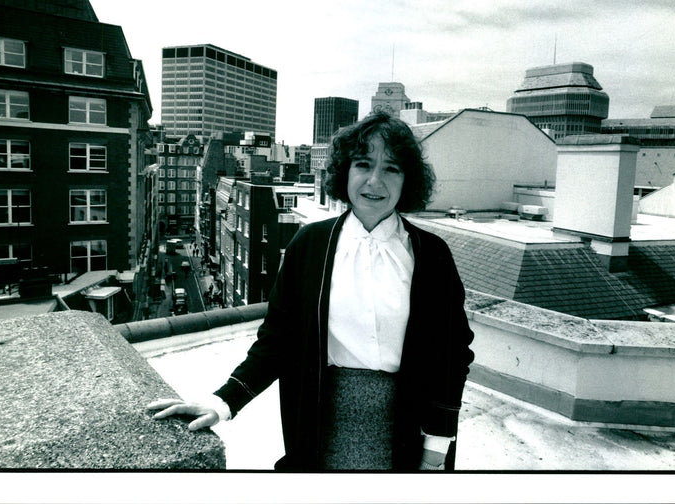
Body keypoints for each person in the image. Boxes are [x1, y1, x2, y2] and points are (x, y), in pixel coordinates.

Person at [148, 112, 474, 471]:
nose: (375, 180)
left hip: (408, 429)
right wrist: (223, 401)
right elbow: (277, 341)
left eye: (392, 168)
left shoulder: (432, 255)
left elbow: (452, 354)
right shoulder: (310, 245)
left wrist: (437, 445)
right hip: (319, 423)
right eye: (363, 164)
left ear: (407, 178)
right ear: (344, 172)